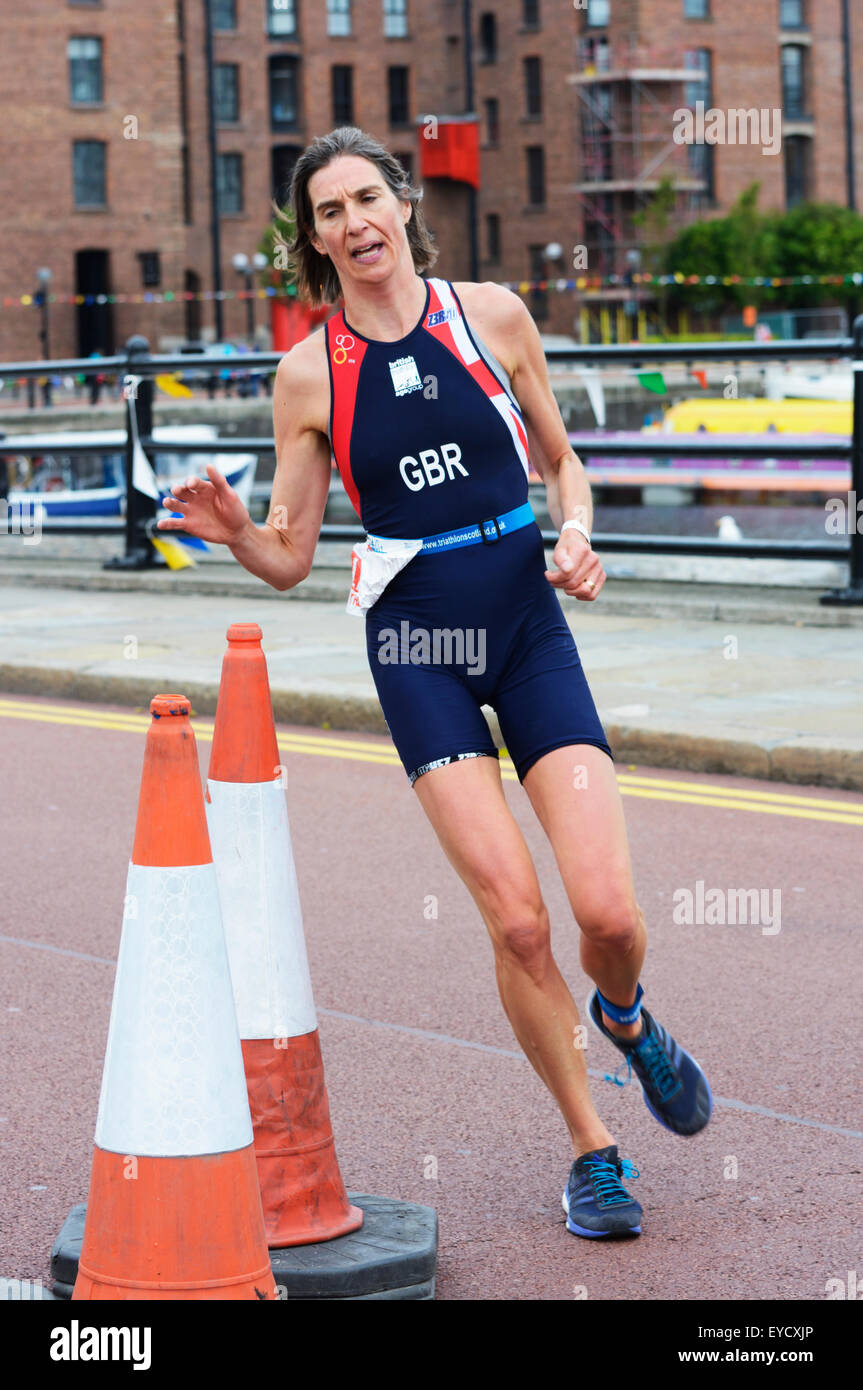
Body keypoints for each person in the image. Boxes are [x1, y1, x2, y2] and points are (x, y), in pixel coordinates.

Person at [159, 127, 712, 1240]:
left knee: (603, 910)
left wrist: (576, 533)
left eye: (368, 198)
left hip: (525, 623)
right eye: (328, 212)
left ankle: (626, 1016)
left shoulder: (492, 314)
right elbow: (290, 553)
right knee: (515, 923)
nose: (354, 224)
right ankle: (593, 1153)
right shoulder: (310, 372)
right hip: (415, 648)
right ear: (310, 239)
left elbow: (562, 460)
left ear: (403, 203)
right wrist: (231, 534)